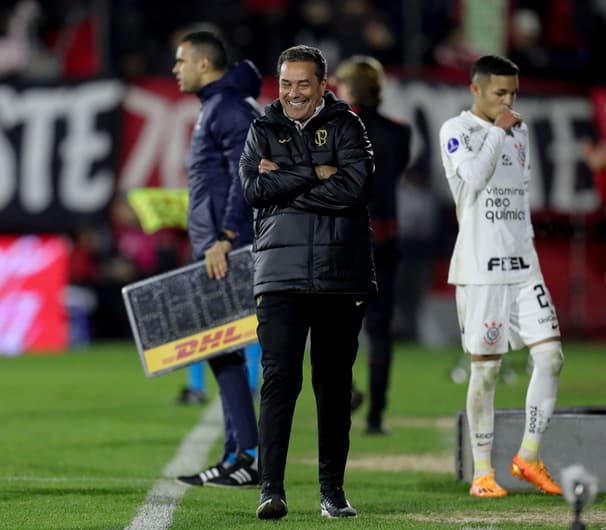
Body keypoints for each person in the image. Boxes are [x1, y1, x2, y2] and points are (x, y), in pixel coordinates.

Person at [239, 45, 376, 519]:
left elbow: (355, 187)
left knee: (334, 387)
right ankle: (270, 490)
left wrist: (287, 180)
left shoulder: (347, 124)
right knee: (279, 381)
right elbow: (253, 191)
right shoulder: (261, 128)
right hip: (279, 276)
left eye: (303, 84)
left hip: (341, 275)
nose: (293, 93)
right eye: (285, 83)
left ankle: (331, 492)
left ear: (323, 84)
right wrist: (315, 173)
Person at [439, 55, 564, 498]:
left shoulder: (520, 130)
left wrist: (528, 247)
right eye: (500, 93)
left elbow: (520, 194)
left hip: (523, 264)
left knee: (550, 357)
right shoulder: (456, 131)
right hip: (481, 268)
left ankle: (528, 457)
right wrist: (498, 129)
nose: (509, 101)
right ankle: (483, 473)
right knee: (487, 373)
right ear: (476, 90)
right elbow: (473, 179)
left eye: (513, 92)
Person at [171, 30, 261, 488]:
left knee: (225, 349)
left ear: (204, 63)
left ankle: (247, 454)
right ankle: (236, 453)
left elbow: (248, 174)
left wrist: (226, 235)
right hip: (215, 248)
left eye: (181, 60)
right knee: (219, 350)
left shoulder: (226, 108)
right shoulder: (216, 106)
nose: (175, 69)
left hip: (226, 249)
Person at [334, 55, 412, 435]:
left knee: (336, 326)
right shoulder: (400, 133)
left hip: (347, 241)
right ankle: (377, 416)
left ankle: (346, 392)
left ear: (349, 89)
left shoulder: (338, 128)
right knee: (380, 330)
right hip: (387, 239)